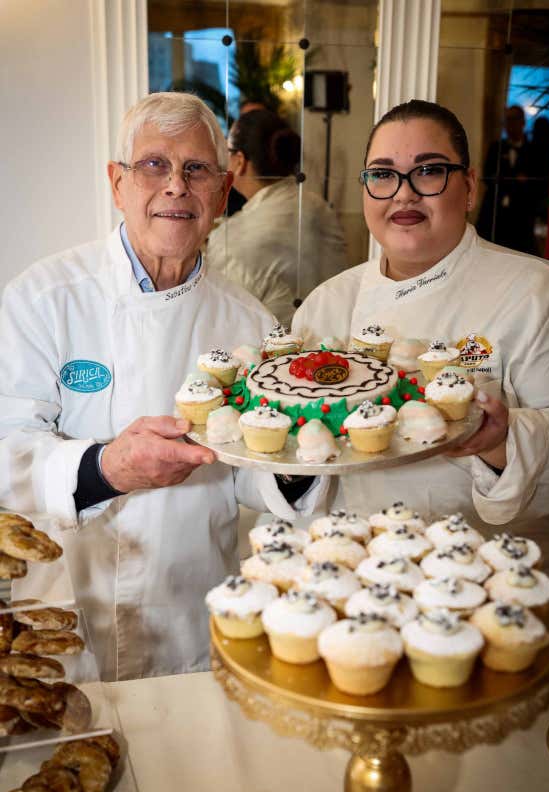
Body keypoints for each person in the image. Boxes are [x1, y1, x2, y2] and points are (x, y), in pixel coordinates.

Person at [0, 92, 328, 680]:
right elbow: (5, 446)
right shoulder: (42, 298)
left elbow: (255, 469)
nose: (176, 186)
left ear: (223, 192)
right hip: (59, 616)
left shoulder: (251, 325)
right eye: (154, 164)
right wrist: (105, 468)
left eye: (196, 169)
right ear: (117, 182)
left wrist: (308, 449)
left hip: (188, 619)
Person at [292, 100, 549, 582]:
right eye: (383, 174)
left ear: (470, 186)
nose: (404, 195)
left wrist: (503, 443)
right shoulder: (326, 305)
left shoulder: (540, 294)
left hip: (491, 580)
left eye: (429, 171)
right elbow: (286, 449)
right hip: (355, 575)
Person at [205, 109, 349, 326]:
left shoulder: (228, 237)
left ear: (240, 161)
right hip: (334, 341)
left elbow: (222, 315)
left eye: (227, 151)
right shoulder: (319, 207)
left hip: (273, 353)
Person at [476, 105, 539, 254]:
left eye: (513, 120)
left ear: (522, 122)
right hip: (494, 211)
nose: (509, 125)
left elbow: (535, 182)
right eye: (507, 120)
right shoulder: (496, 147)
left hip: (520, 214)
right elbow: (487, 175)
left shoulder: (533, 150)